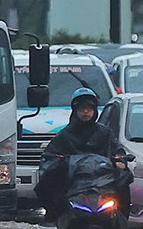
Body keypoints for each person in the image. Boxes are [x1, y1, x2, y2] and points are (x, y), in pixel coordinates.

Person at [35, 88, 130, 221]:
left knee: (124, 180)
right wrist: (58, 164)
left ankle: (120, 219)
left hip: (102, 180)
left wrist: (120, 161)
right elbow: (51, 156)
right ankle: (56, 218)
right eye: (82, 109)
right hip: (73, 180)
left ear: (95, 110)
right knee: (46, 184)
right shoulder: (65, 135)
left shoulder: (105, 133)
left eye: (89, 108)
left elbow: (118, 151)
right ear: (75, 110)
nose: (86, 112)